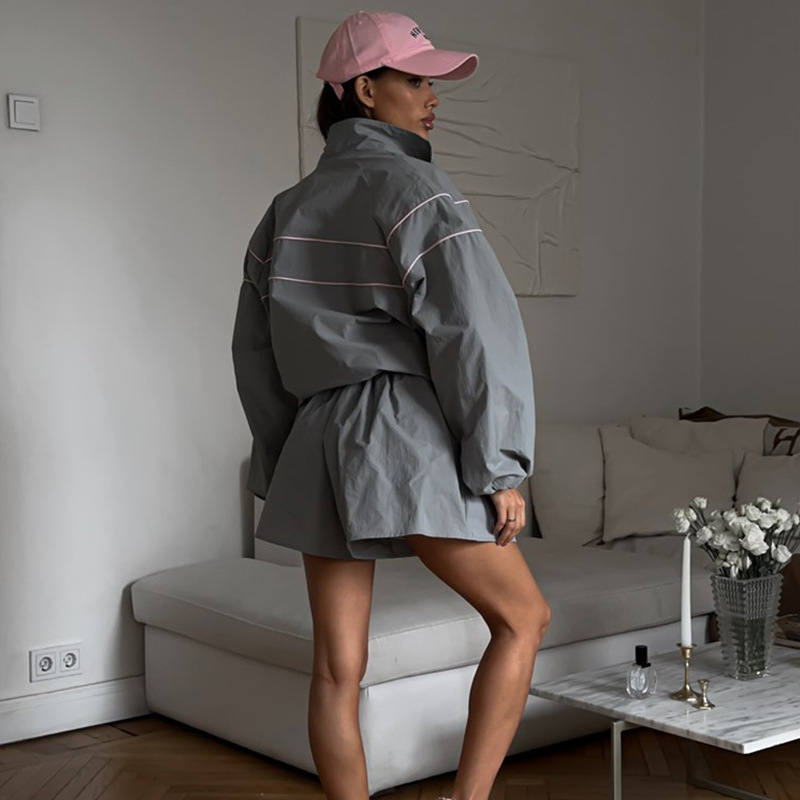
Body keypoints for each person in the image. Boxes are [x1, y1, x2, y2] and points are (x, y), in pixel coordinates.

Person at [232, 10, 551, 800]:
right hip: (402, 430)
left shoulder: (284, 209)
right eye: (415, 79)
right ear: (365, 90)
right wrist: (500, 466)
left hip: (318, 435)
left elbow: (255, 355)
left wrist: (283, 461)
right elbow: (474, 328)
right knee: (524, 618)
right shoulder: (416, 188)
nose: (432, 96)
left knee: (337, 668)